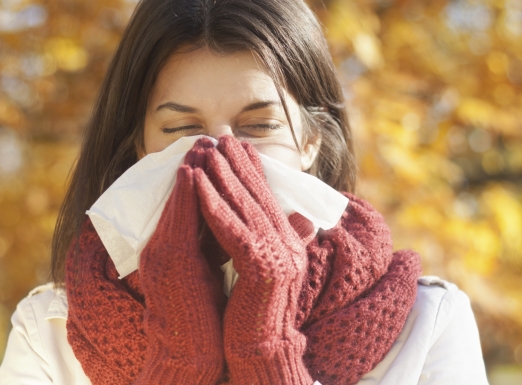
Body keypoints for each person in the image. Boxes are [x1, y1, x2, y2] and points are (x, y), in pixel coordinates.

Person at [0, 0, 489, 384]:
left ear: (312, 140)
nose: (221, 156)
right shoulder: (50, 330)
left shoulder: (427, 325)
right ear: (139, 147)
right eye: (182, 129)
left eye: (259, 126)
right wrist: (180, 365)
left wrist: (268, 356)